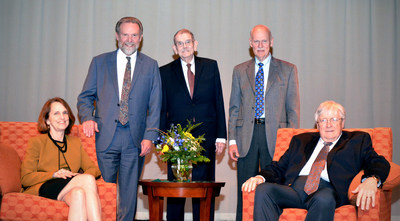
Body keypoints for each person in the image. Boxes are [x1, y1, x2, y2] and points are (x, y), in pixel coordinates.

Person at [242, 100, 390, 221]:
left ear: (342, 122)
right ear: (317, 125)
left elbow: (377, 162)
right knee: (264, 190)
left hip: (327, 191)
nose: (328, 124)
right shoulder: (300, 141)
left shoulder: (357, 140)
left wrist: (372, 179)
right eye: (323, 120)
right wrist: (259, 177)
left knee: (324, 198)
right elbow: (279, 166)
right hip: (294, 190)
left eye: (334, 119)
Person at [77, 17, 161, 221]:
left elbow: (156, 104)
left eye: (134, 35)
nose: (129, 39)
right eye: (125, 34)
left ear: (140, 38)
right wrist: (87, 117)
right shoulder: (99, 62)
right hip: (105, 138)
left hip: (135, 140)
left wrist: (150, 135)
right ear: (117, 36)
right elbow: (85, 97)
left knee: (128, 195)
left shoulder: (150, 65)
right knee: (103, 193)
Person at [228, 24, 300, 220]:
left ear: (271, 42)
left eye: (264, 41)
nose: (260, 45)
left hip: (277, 137)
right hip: (246, 137)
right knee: (245, 187)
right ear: (250, 43)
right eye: (256, 41)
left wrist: (290, 142)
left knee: (274, 187)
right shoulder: (239, 70)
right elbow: (234, 108)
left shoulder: (288, 70)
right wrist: (232, 140)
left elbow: (293, 110)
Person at [159, 29, 227, 221]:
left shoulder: (211, 66)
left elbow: (218, 101)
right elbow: (162, 108)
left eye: (188, 42)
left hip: (207, 137)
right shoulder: (164, 72)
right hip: (176, 141)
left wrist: (221, 135)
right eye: (180, 43)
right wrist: (164, 141)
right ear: (174, 48)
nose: (184, 46)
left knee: (203, 189)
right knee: (175, 192)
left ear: (195, 45)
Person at [21, 97, 102, 221]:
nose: (62, 117)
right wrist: (53, 174)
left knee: (78, 194)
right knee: (88, 179)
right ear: (47, 120)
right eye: (56, 113)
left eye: (65, 113)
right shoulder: (37, 142)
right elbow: (26, 178)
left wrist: (77, 177)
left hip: (67, 185)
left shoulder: (75, 143)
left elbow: (94, 169)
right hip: (44, 185)